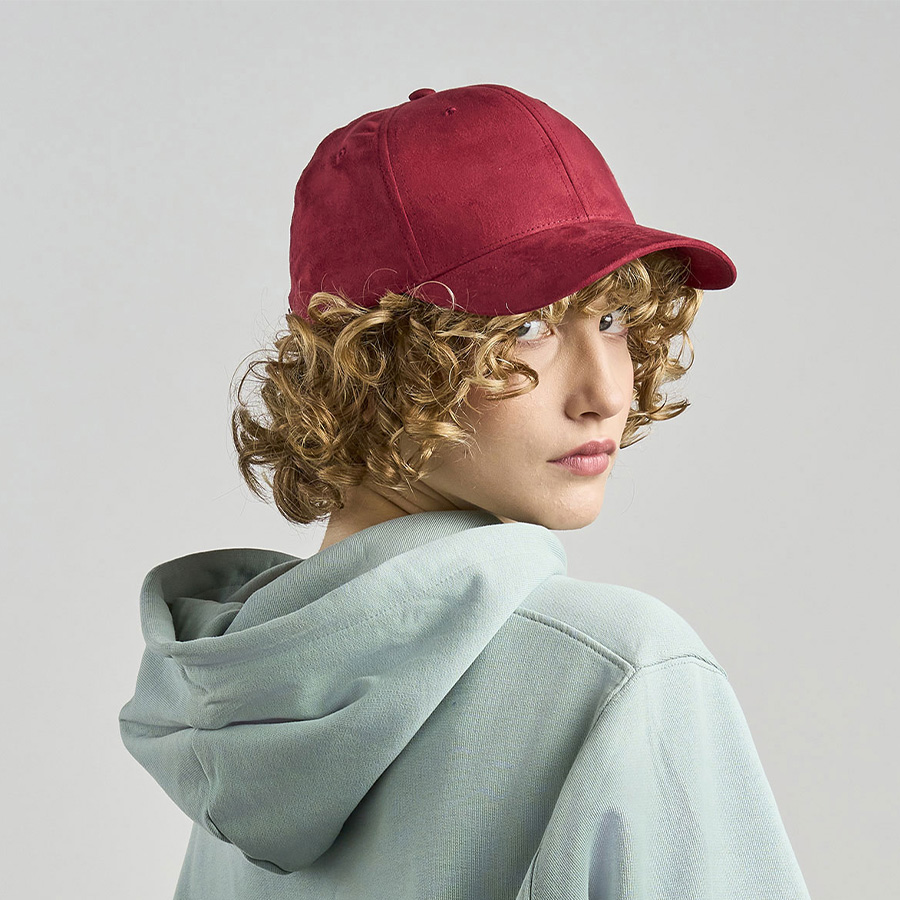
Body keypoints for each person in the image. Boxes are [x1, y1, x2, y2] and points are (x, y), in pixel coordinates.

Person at [118, 84, 811, 899]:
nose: (606, 392)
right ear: (371, 360)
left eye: (615, 320)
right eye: (528, 327)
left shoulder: (246, 706)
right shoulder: (620, 670)